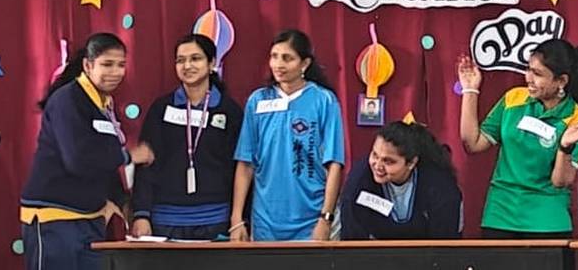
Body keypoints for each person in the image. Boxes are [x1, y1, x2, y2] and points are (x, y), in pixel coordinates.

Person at [20, 33, 155, 270]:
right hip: (54, 219)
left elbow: (104, 162)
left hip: (90, 219)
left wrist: (123, 204)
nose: (115, 72)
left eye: (121, 65)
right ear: (88, 65)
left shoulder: (104, 105)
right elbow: (78, 159)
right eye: (107, 64)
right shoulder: (67, 99)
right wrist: (128, 156)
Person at [458, 38, 578, 239]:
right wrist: (470, 90)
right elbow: (473, 143)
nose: (528, 78)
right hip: (500, 215)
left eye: (538, 74)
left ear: (561, 81)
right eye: (528, 69)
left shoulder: (577, 118)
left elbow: (560, 181)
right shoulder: (513, 99)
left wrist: (565, 146)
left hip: (547, 221)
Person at [230, 30, 346, 241]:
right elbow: (245, 163)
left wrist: (325, 218)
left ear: (305, 64)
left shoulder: (324, 100)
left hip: (312, 219)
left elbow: (334, 164)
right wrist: (236, 219)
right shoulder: (257, 101)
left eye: (287, 58)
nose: (278, 64)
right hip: (266, 221)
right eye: (274, 56)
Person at [131, 34, 245, 241]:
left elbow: (241, 168)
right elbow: (146, 164)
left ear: (212, 63)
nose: (187, 66)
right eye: (180, 60)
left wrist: (240, 220)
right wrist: (141, 214)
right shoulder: (161, 108)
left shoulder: (229, 111)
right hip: (165, 221)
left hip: (216, 219)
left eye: (195, 59)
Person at [340, 121, 463, 239]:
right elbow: (351, 240)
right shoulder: (359, 180)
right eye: (375, 155)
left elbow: (446, 245)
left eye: (388, 161)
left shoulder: (439, 186)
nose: (377, 166)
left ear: (411, 163)